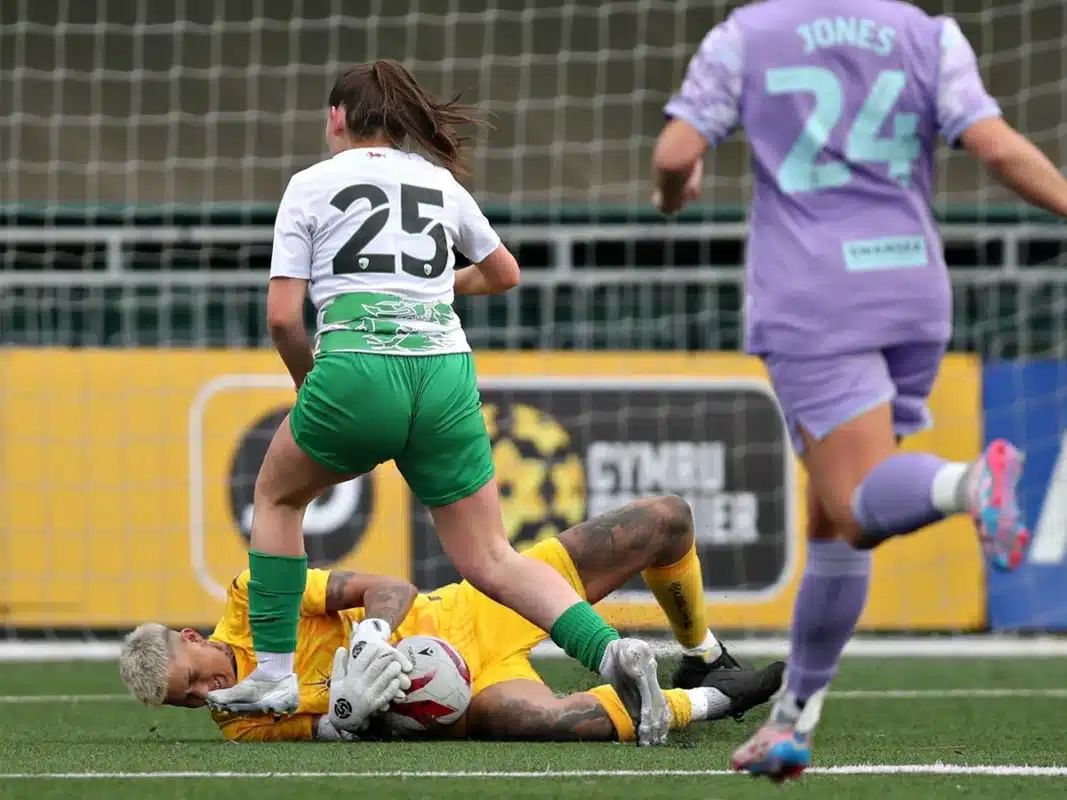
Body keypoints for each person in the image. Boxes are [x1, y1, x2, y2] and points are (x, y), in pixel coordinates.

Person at [652, 0, 1066, 781]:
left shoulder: (746, 35)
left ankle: (971, 482)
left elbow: (675, 152)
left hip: (814, 297)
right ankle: (790, 721)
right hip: (912, 288)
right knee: (836, 524)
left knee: (851, 503)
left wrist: (672, 194)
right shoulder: (927, 34)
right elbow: (996, 146)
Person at [204, 59, 671, 745]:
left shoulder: (309, 185)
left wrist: (311, 384)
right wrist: (435, 289)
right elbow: (504, 272)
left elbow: (282, 318)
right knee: (491, 559)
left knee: (277, 499)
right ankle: (612, 651)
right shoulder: (437, 182)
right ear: (400, 122)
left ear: (337, 118)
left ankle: (273, 669)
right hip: (445, 373)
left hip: (357, 369)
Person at [119, 496, 784, 743]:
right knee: (544, 724)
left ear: (192, 638)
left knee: (664, 521)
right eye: (190, 701)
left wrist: (374, 633)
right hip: (458, 697)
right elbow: (331, 732)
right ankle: (711, 699)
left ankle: (703, 651)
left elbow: (388, 587)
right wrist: (344, 721)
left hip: (474, 607)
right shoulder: (240, 722)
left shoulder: (254, 596)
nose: (207, 696)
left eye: (196, 677)